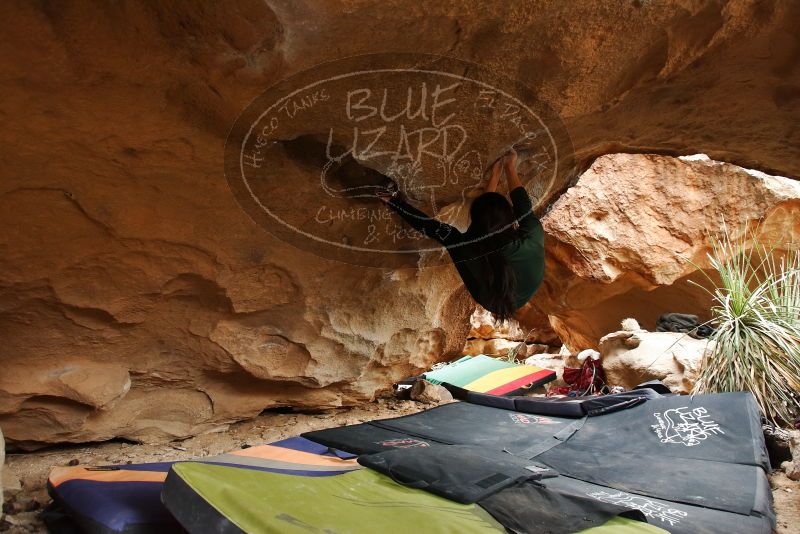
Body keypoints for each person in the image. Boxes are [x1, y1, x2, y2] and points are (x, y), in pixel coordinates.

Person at [377, 149, 544, 321]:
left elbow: (427, 225)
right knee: (454, 241)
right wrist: (508, 167)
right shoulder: (532, 236)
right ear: (510, 217)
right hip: (521, 290)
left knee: (455, 243)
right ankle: (391, 200)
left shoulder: (466, 247)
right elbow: (522, 205)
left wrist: (505, 168)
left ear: (475, 222)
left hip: (491, 299)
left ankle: (391, 200)